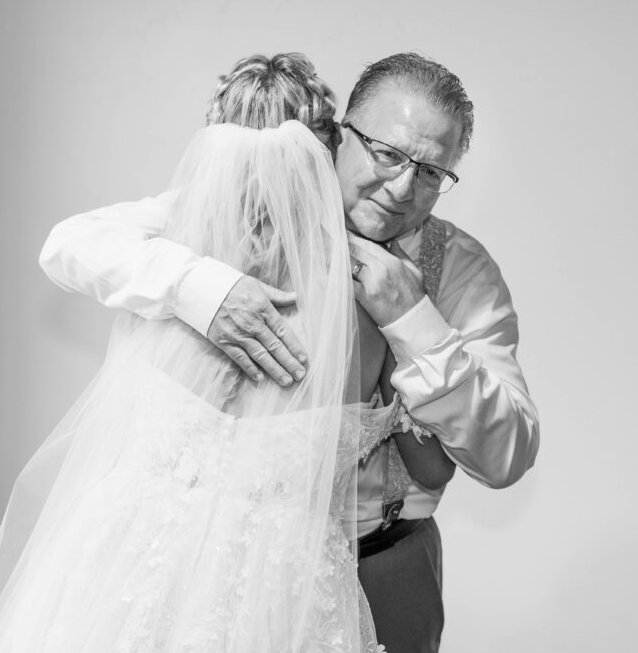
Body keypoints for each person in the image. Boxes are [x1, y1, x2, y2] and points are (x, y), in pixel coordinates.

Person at [0, 53, 454, 652]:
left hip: (128, 573)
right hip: (282, 595)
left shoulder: (158, 259)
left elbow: (73, 244)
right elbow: (436, 465)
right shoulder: (375, 296)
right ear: (326, 149)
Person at [38, 52, 540, 653]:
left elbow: (507, 453)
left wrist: (413, 318)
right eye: (387, 154)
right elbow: (74, 244)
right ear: (340, 133)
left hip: (384, 565)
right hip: (216, 567)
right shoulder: (253, 205)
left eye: (432, 173)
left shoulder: (463, 271)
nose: (404, 187)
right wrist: (205, 290)